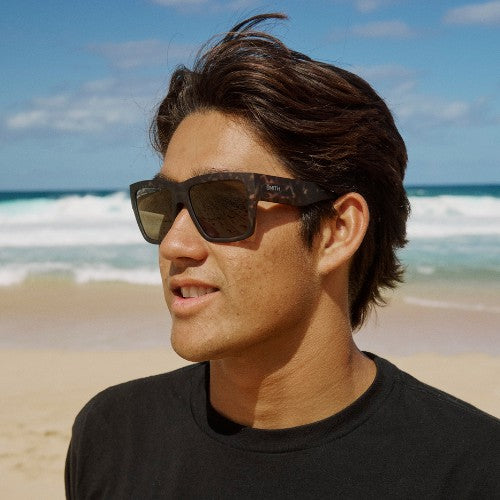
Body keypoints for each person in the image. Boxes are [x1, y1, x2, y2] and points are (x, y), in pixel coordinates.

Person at [65, 13, 499, 499]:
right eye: (163, 205)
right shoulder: (112, 437)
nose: (174, 244)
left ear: (337, 231)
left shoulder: (473, 472)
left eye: (224, 203)